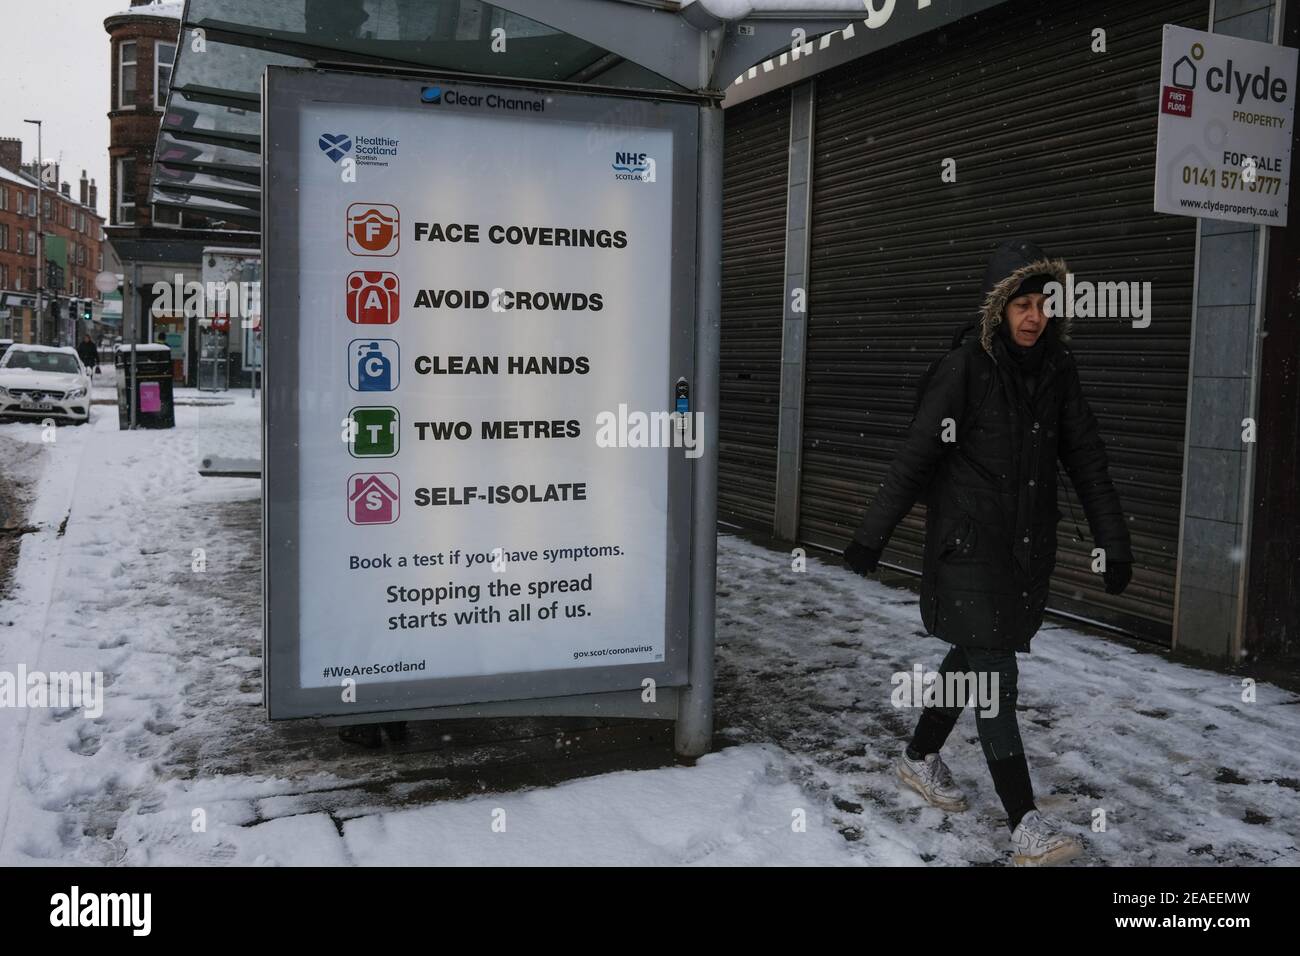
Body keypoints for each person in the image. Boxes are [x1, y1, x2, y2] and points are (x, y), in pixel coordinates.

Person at [844, 237, 1133, 866]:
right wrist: (872, 535)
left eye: (1042, 305)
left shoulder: (1058, 371)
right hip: (967, 547)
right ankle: (1024, 824)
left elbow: (1086, 458)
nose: (1033, 317)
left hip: (1024, 551)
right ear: (998, 308)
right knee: (995, 671)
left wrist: (1113, 538)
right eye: (1021, 305)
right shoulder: (965, 370)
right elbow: (916, 456)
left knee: (973, 656)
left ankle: (919, 758)